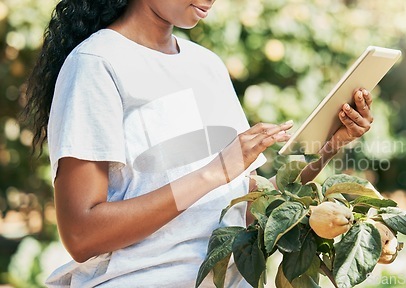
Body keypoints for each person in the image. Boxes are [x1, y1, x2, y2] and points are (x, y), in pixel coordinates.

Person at [23, 0, 374, 287]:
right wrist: (214, 172)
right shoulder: (96, 64)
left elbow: (252, 207)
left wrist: (328, 145)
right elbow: (82, 235)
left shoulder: (207, 65)